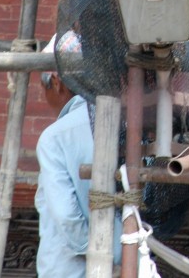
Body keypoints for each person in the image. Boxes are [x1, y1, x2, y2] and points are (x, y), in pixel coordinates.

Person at [34, 30, 120, 277]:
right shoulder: (125, 125)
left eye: (44, 87)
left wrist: (100, 254)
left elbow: (66, 217)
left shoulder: (55, 137)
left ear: (57, 84)